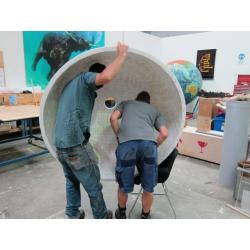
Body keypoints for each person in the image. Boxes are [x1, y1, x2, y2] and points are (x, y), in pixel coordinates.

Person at [54, 42, 128, 219]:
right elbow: (106, 76)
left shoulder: (72, 85)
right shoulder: (85, 78)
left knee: (72, 181)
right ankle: (101, 216)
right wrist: (121, 55)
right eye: (98, 85)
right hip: (75, 144)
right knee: (94, 184)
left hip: (61, 144)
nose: (99, 88)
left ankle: (72, 214)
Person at [110, 91, 168, 219]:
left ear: (136, 99)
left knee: (123, 185)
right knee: (148, 187)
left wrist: (119, 135)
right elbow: (164, 133)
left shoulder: (126, 104)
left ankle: (122, 213)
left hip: (126, 146)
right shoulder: (155, 110)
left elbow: (113, 118)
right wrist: (154, 145)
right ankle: (145, 215)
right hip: (149, 147)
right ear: (149, 101)